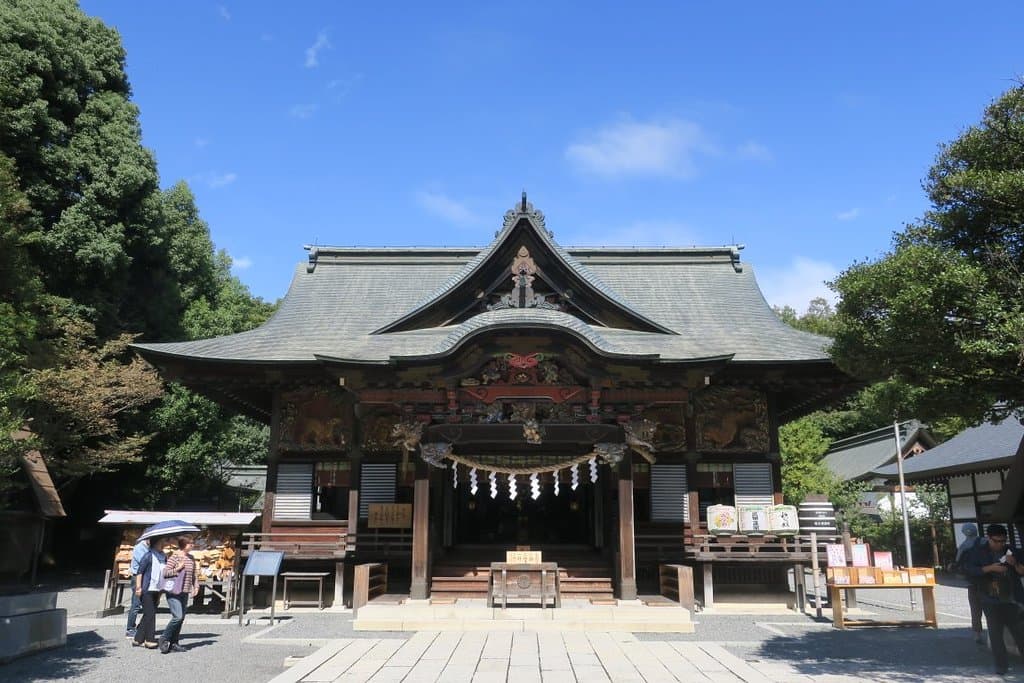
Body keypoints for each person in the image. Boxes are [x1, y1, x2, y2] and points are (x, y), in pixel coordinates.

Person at [965, 523, 1024, 675]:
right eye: (996, 541)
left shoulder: (1012, 551)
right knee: (995, 634)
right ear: (989, 538)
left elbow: (1021, 572)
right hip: (989, 598)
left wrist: (1015, 563)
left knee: (1019, 632)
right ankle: (1001, 666)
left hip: (1012, 598)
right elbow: (970, 571)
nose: (1000, 544)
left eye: (1003, 541)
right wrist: (990, 568)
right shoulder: (978, 552)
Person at [160, 536, 199, 654]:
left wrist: (196, 586)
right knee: (178, 616)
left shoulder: (191, 558)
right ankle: (164, 637)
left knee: (181, 618)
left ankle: (174, 643)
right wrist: (178, 568)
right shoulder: (175, 556)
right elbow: (165, 573)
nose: (192, 545)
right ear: (184, 545)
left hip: (185, 591)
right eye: (190, 543)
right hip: (173, 591)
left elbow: (194, 574)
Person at [132, 537, 171, 649]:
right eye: (161, 542)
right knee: (150, 613)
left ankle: (138, 639)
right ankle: (149, 639)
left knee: (149, 613)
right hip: (146, 588)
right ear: (155, 543)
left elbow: (164, 572)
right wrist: (138, 587)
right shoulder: (148, 555)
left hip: (157, 588)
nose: (163, 544)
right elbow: (140, 572)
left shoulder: (163, 556)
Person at [955, 523, 985, 643]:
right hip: (988, 578)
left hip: (972, 581)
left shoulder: (963, 546)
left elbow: (958, 562)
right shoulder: (985, 541)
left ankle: (977, 633)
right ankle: (995, 630)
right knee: (992, 606)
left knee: (975, 608)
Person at [124, 537, 150, 639]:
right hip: (137, 577)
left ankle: (141, 627)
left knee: (149, 604)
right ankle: (130, 629)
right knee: (136, 604)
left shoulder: (149, 548)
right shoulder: (139, 548)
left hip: (146, 577)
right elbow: (143, 563)